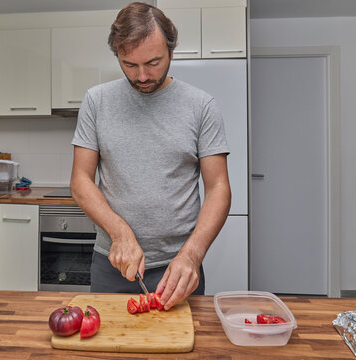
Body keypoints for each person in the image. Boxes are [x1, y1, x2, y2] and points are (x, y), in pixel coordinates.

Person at [70, 2, 231, 310]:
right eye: (129, 64)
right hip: (112, 264)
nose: (142, 76)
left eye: (153, 62)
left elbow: (219, 188)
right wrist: (120, 234)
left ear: (171, 51)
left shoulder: (201, 106)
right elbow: (80, 180)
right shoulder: (96, 101)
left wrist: (193, 255)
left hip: (179, 267)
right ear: (117, 54)